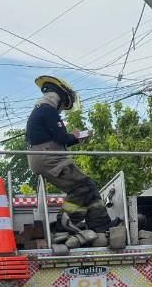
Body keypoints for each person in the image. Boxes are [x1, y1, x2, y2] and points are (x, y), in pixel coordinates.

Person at [24, 75, 111, 233]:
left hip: (46, 156)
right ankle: (64, 224)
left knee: (88, 186)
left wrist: (75, 138)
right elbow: (63, 138)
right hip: (49, 157)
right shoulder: (48, 110)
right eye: (63, 105)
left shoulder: (41, 110)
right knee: (81, 186)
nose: (62, 109)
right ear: (60, 96)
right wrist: (75, 136)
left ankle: (101, 226)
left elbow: (62, 139)